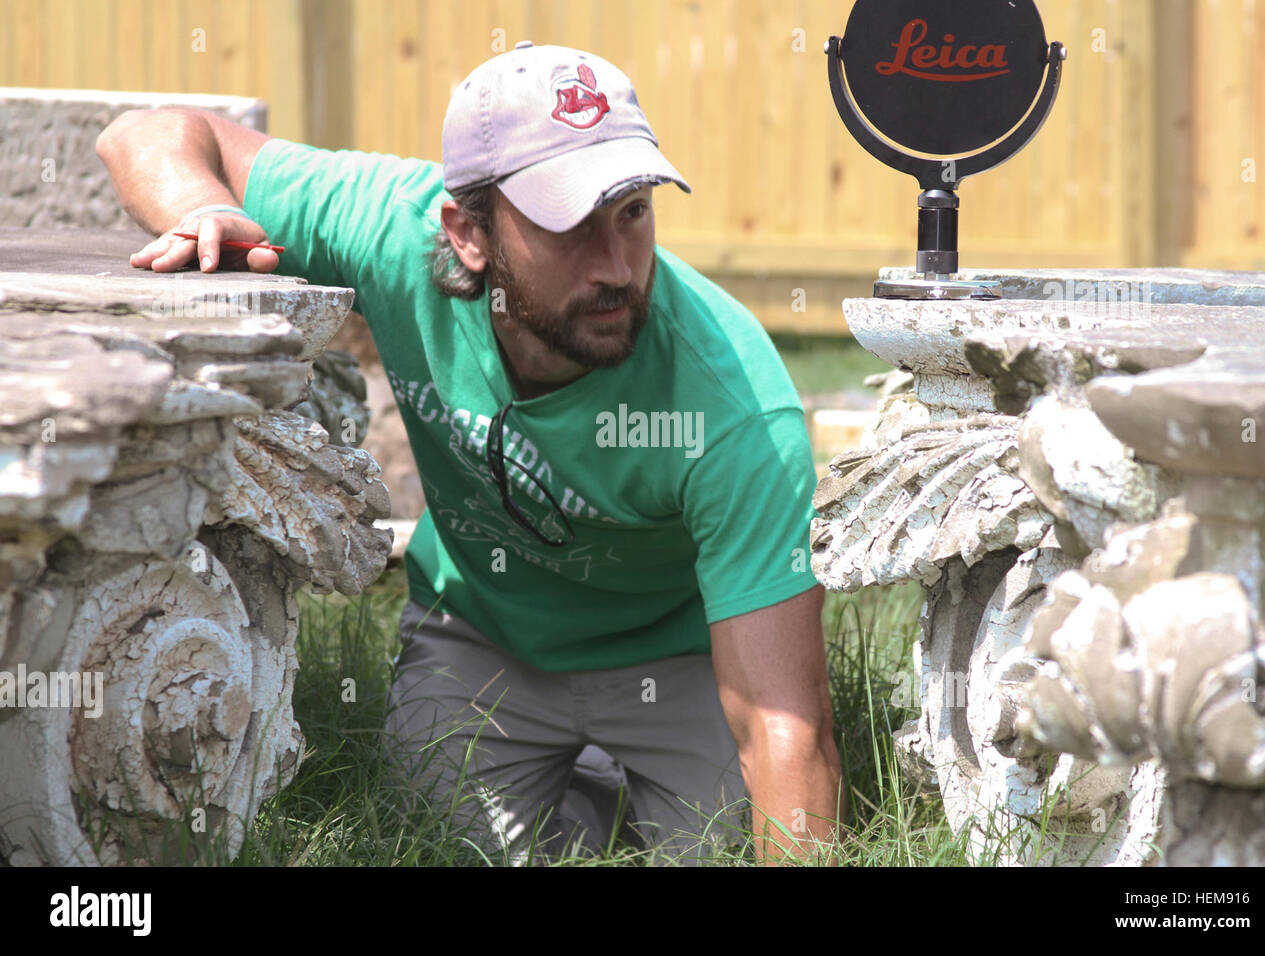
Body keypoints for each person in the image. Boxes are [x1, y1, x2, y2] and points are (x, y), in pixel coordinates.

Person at [96, 41, 843, 865]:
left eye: (633, 211)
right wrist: (204, 206)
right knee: (433, 848)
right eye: (570, 225)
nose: (618, 266)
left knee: (720, 854)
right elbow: (147, 133)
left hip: (675, 658)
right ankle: (587, 795)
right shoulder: (391, 224)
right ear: (467, 232)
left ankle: (607, 782)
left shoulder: (733, 403)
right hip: (481, 638)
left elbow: (786, 729)